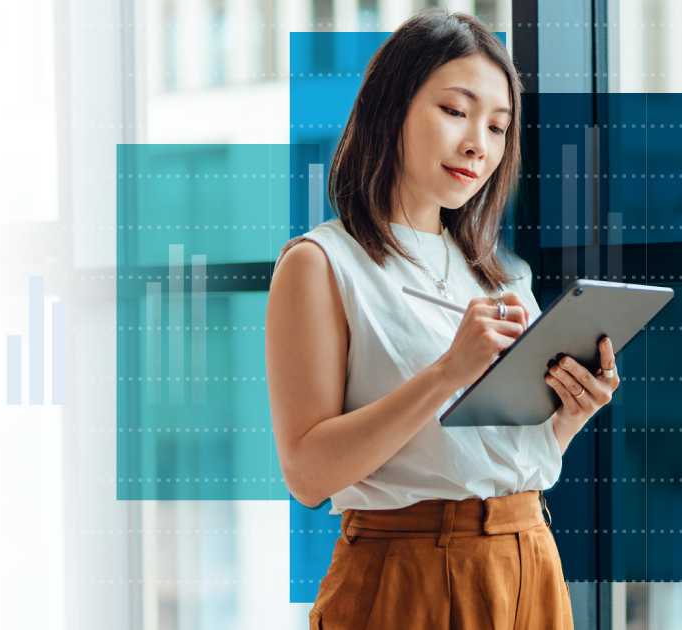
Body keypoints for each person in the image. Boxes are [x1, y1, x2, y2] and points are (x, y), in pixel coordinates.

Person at [265, 8, 620, 629]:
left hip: (529, 559)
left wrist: (568, 415)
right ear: (391, 108)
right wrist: (447, 372)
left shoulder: (503, 275)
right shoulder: (322, 264)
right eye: (455, 111)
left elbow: (501, 455)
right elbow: (308, 473)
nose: (477, 145)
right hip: (408, 574)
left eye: (497, 126)